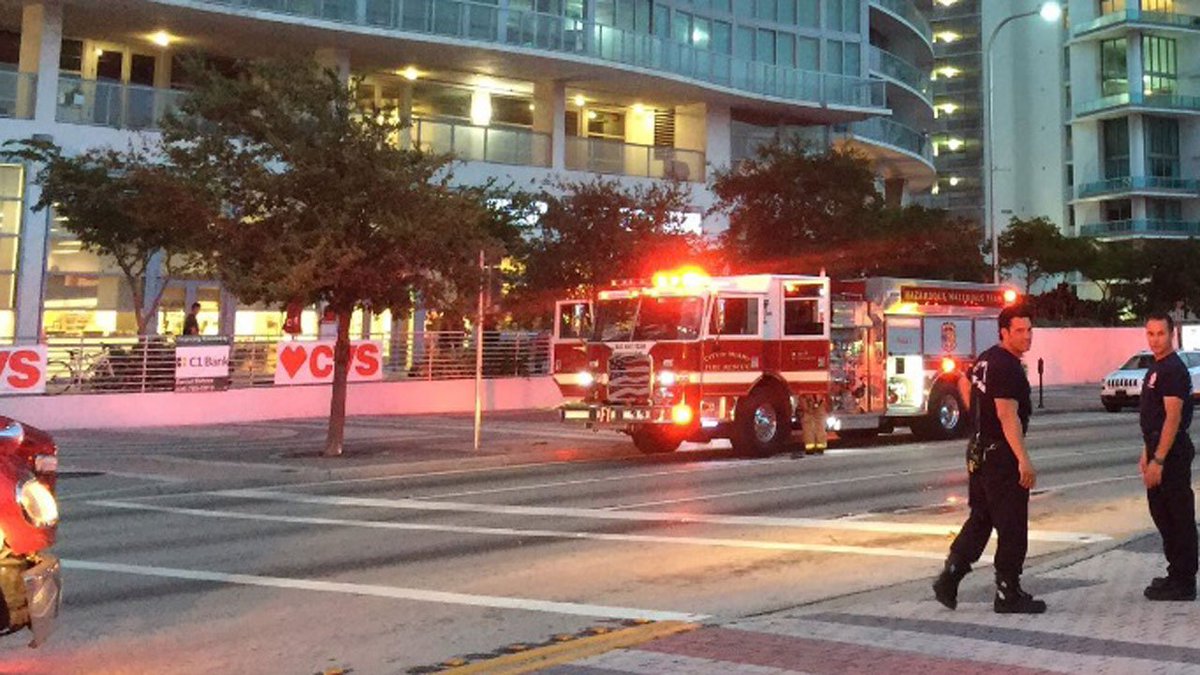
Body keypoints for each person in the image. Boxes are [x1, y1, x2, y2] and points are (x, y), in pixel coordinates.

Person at [933, 304, 1047, 614]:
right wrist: (1023, 460)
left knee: (982, 518)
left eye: (1029, 330)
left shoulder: (985, 359)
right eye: (1019, 331)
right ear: (1004, 332)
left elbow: (965, 385)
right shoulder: (1007, 366)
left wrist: (976, 421)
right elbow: (1007, 414)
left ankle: (951, 576)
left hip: (979, 451)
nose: (1026, 336)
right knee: (1012, 526)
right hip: (1001, 456)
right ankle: (1007, 592)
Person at [1138, 312, 1197, 602]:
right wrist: (1146, 453)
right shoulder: (1156, 368)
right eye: (1150, 334)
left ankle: (1184, 580)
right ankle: (1176, 572)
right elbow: (1152, 417)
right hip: (1157, 448)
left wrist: (1159, 460)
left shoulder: (1173, 369)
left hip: (1171, 453)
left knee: (1178, 515)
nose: (1155, 339)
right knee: (1163, 514)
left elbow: (1172, 418)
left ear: (1171, 334)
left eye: (1160, 333)